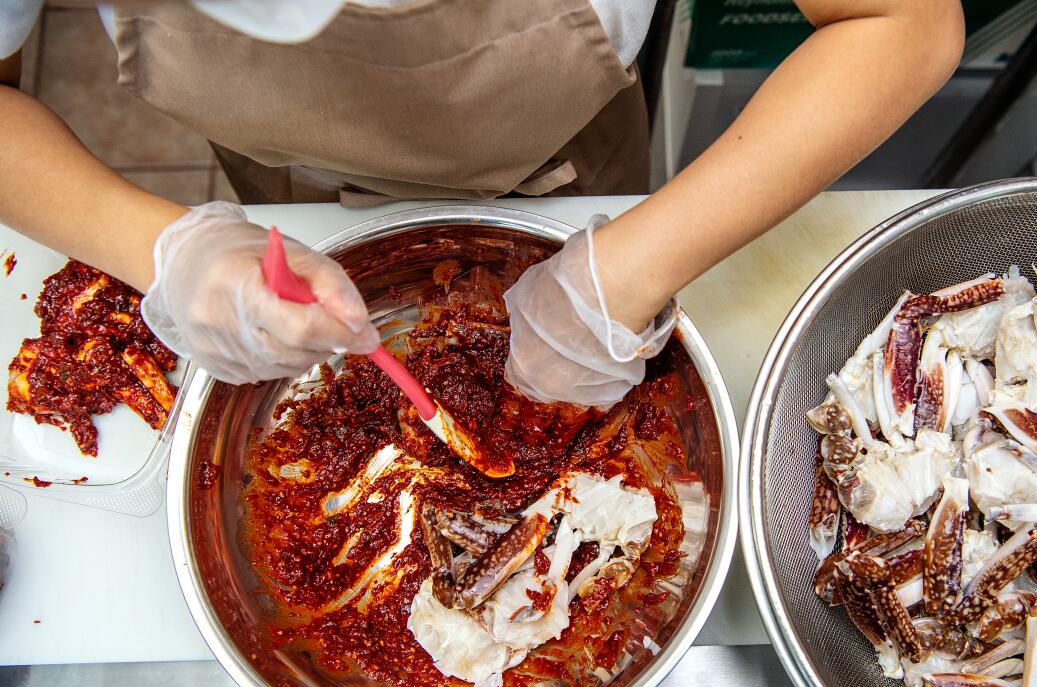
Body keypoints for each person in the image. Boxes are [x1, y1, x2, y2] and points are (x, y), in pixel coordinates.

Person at [0, 0, 964, 404]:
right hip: (280, 180)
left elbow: (905, 23)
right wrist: (163, 248)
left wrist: (625, 269)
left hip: (564, 164)